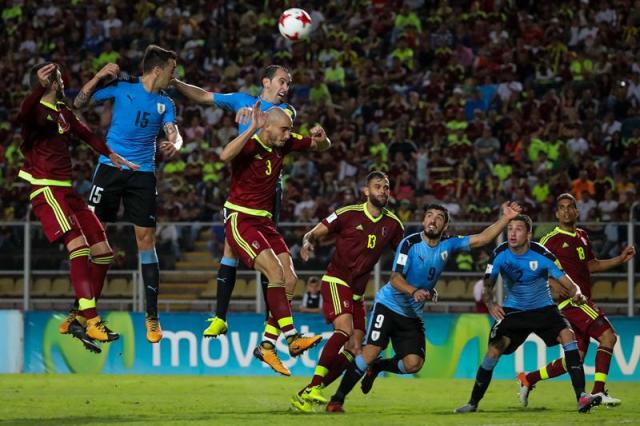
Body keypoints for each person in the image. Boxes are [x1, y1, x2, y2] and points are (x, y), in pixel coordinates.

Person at [325, 202, 522, 413]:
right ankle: (337, 399)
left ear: (445, 226)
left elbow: (483, 238)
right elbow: (395, 278)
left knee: (413, 364)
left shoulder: (449, 244)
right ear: (423, 220)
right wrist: (414, 291)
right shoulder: (409, 244)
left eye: (439, 218)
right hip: (388, 306)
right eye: (429, 215)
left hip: (411, 315)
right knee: (370, 352)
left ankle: (379, 367)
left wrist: (506, 218)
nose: (433, 220)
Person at [18, 63, 137, 351]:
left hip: (67, 191)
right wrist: (37, 86)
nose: (57, 77)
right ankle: (92, 320)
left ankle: (76, 317)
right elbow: (23, 115)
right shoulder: (36, 112)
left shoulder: (63, 112)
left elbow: (89, 136)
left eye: (58, 74)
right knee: (79, 247)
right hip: (46, 188)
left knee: (104, 252)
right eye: (51, 75)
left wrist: (111, 154)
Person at [172, 65, 295, 338]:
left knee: (269, 259)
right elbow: (204, 96)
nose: (286, 87)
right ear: (266, 81)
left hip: (267, 189)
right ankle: (220, 317)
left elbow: (273, 126)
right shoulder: (242, 100)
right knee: (230, 249)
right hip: (242, 183)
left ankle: (267, 323)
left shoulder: (286, 114)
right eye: (282, 81)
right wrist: (175, 81)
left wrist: (254, 122)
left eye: (288, 83)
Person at [72, 45, 183, 343]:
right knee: (94, 238)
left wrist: (178, 143)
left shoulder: (165, 103)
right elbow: (79, 103)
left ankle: (152, 317)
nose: (175, 75)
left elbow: (173, 131)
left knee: (146, 241)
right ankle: (81, 312)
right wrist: (97, 77)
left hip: (143, 175)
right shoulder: (121, 88)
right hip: (109, 169)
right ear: (157, 70)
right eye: (172, 69)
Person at [220, 102, 331, 375]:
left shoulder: (285, 142)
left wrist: (322, 136)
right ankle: (293, 339)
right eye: (284, 129)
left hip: (265, 221)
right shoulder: (251, 145)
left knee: (291, 278)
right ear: (267, 127)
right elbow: (224, 156)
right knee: (275, 274)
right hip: (240, 218)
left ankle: (267, 346)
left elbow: (322, 147)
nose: (287, 134)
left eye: (290, 130)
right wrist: (251, 130)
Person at [454, 214, 602, 414]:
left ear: (528, 234)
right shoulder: (500, 253)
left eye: (518, 229)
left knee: (568, 336)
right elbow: (488, 283)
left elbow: (569, 283)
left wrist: (578, 294)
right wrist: (491, 304)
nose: (512, 233)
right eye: (510, 229)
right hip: (515, 311)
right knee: (493, 351)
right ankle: (472, 403)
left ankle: (582, 397)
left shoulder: (543, 255)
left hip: (544, 309)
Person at [290, 171, 405, 412]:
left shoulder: (393, 225)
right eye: (378, 186)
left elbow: (405, 257)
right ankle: (313, 387)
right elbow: (314, 232)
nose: (383, 191)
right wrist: (308, 242)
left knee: (355, 349)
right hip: (336, 280)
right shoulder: (347, 213)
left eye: (386, 187)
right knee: (343, 330)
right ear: (366, 191)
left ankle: (308, 392)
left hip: (357, 293)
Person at [517, 193, 636, 407]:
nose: (565, 211)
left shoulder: (582, 235)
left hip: (583, 299)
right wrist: (553, 285)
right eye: (561, 207)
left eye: (570, 206)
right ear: (556, 213)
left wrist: (620, 259)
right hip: (572, 302)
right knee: (608, 337)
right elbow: (531, 265)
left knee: (575, 359)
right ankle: (598, 392)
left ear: (576, 211)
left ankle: (528, 378)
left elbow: (592, 265)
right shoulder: (550, 240)